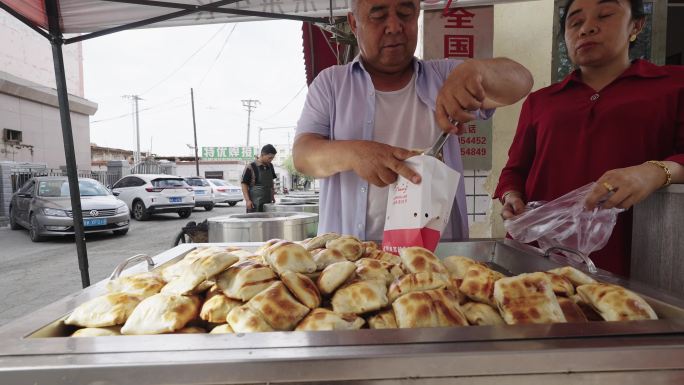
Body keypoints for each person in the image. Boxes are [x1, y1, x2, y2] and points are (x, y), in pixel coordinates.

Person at [292, 0, 533, 241]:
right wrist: (356, 154)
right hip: (353, 260)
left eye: (405, 13)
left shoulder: (444, 76)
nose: (395, 26)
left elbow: (522, 81)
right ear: (354, 23)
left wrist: (476, 71)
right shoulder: (331, 84)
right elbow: (303, 156)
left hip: (437, 257)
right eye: (379, 15)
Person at [495, 0, 684, 276]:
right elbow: (515, 170)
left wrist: (654, 172)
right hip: (539, 261)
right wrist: (511, 196)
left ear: (636, 25)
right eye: (575, 23)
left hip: (635, 262)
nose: (587, 29)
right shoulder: (542, 101)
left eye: (605, 15)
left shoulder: (673, 85)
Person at [241, 144, 278, 212]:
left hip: (268, 202)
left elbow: (271, 182)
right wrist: (247, 200)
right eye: (269, 158)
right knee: (255, 221)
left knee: (268, 221)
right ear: (262, 154)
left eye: (272, 158)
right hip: (254, 203)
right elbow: (244, 184)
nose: (271, 160)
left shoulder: (270, 166)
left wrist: (272, 195)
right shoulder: (250, 166)